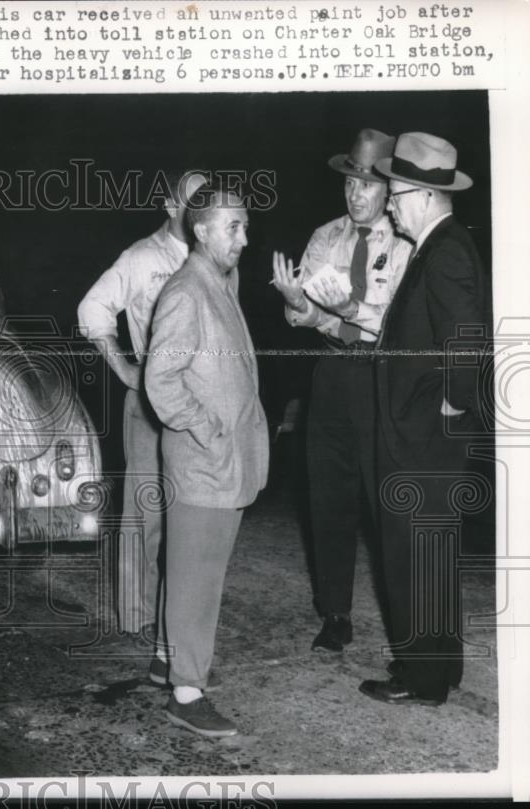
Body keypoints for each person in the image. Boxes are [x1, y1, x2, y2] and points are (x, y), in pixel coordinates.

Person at [352, 132, 489, 705]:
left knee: (413, 554)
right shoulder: (438, 244)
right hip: (422, 434)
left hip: (423, 438)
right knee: (429, 554)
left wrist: (453, 403)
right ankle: (441, 668)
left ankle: (421, 678)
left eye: (398, 193)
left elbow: (468, 339)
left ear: (428, 197)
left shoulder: (446, 249)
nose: (389, 203)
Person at [272, 129, 412, 653]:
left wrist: (348, 312)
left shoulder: (406, 243)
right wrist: (295, 301)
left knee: (386, 503)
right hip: (331, 374)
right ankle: (335, 613)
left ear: (388, 189)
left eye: (368, 185)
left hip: (382, 374)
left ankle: (405, 619)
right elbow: (305, 319)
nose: (356, 194)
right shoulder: (325, 236)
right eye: (351, 182)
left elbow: (398, 325)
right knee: (327, 495)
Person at [145, 184, 269, 736]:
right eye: (234, 227)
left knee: (189, 569)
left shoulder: (214, 284)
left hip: (221, 461)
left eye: (244, 226)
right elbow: (161, 382)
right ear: (201, 230)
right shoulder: (187, 292)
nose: (244, 237)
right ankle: (187, 693)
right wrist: (207, 427)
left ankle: (168, 660)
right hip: (203, 462)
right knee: (198, 577)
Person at [77, 170, 208, 644]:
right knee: (144, 512)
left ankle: (180, 613)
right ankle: (137, 617)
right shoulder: (141, 257)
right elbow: (91, 311)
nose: (200, 212)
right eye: (192, 203)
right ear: (171, 207)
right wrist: (127, 370)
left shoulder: (215, 260)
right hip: (152, 400)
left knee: (192, 511)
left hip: (199, 401)